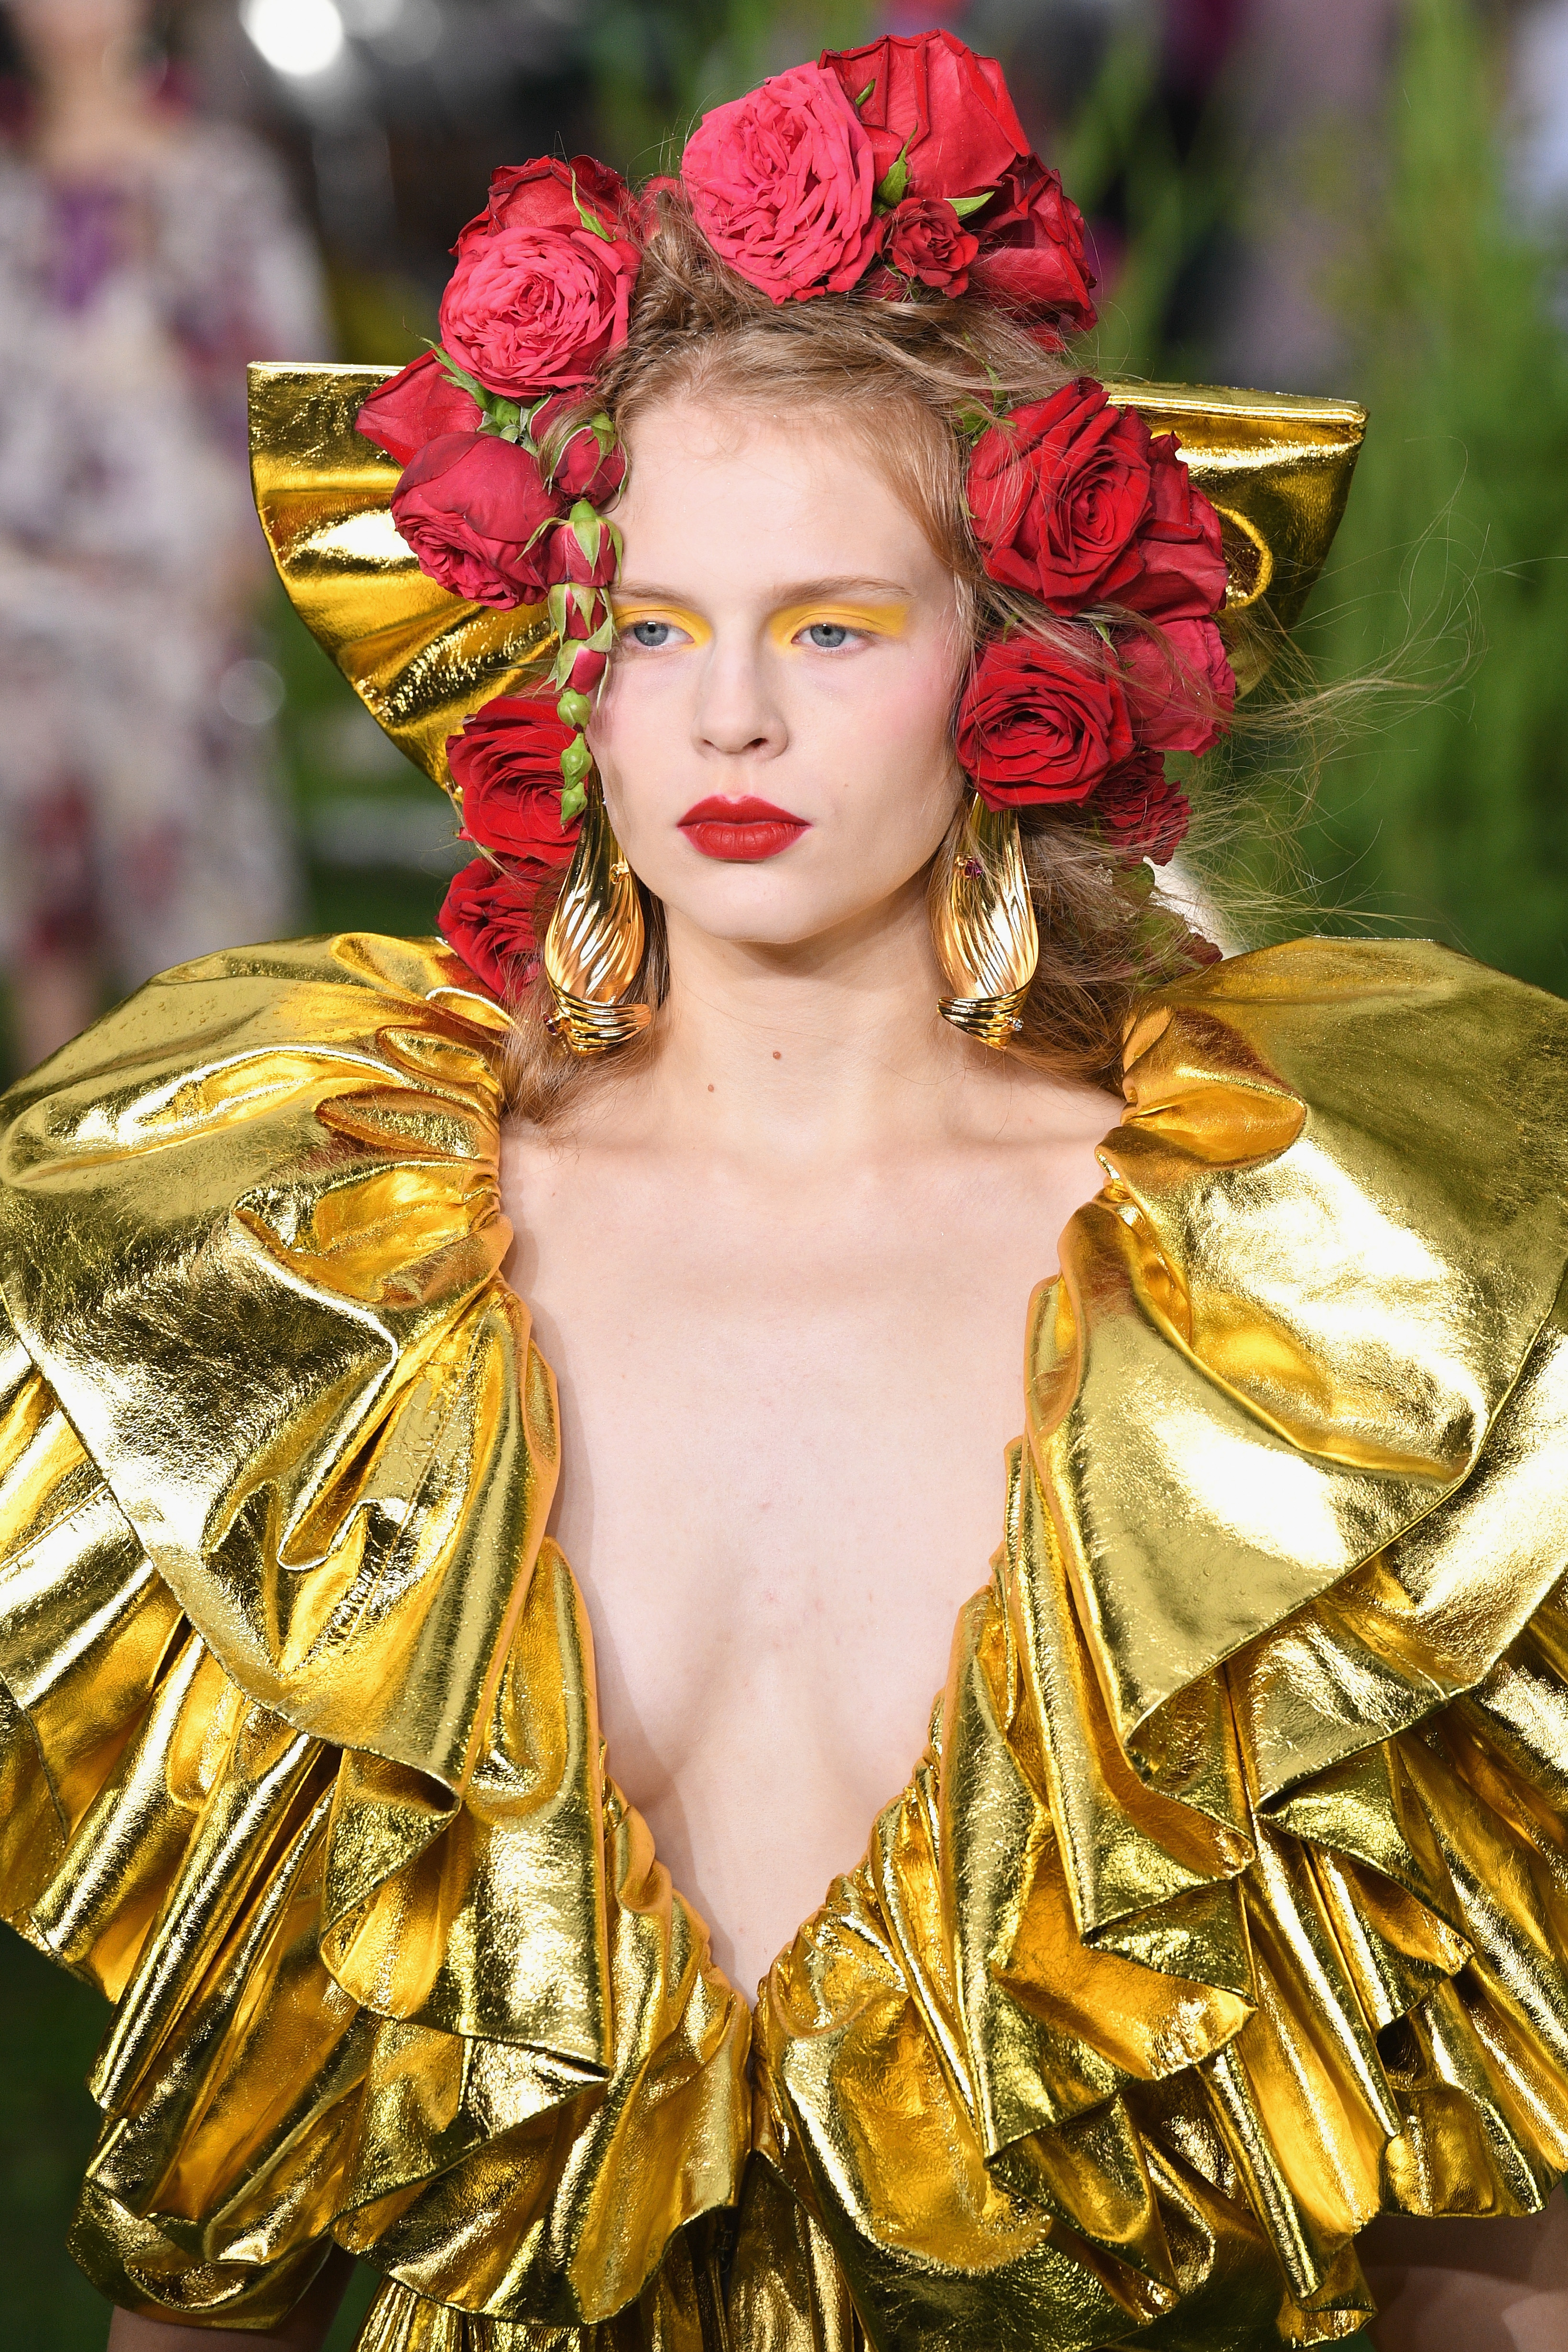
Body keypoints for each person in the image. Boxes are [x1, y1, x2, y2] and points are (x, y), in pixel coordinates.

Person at [0, 31, 1565, 2352]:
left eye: (830, 625)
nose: (725, 716)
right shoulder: (322, 1298)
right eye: (645, 627)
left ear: (1014, 660)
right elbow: (221, 2233)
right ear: (560, 679)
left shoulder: (1322, 1313)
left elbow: (1483, 2231)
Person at [0, 0, 329, 1072]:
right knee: (39, 898)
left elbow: (292, 376)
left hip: (174, 592)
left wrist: (245, 558)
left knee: (193, 899)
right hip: (19, 595)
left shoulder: (218, 181)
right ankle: (47, 1171)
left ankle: (197, 1180)